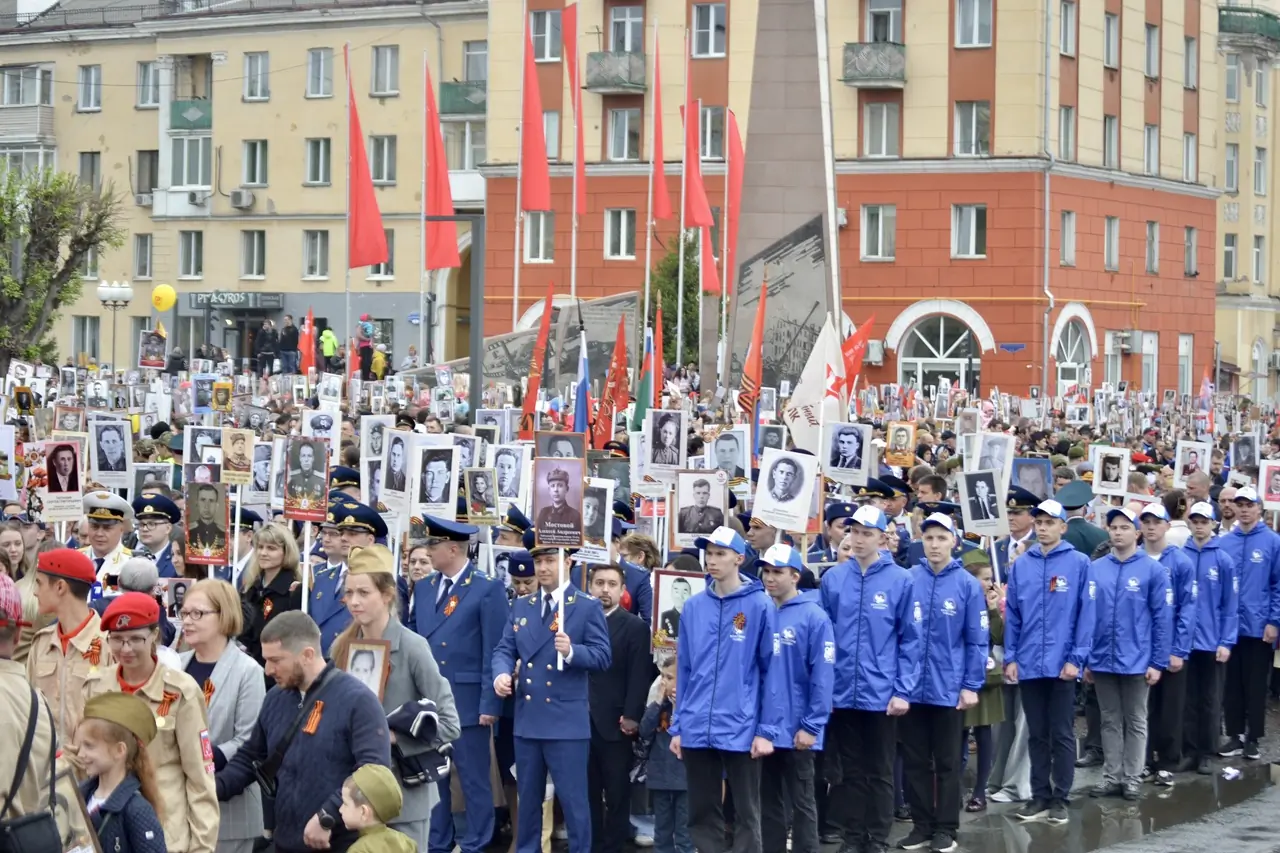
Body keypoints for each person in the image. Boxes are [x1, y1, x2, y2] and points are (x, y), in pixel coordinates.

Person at [217, 612, 394, 853]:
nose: (268, 669)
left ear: (307, 655)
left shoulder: (358, 701)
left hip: (341, 844)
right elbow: (251, 757)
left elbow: (373, 772)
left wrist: (327, 816)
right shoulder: (276, 698)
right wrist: (211, 789)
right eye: (266, 660)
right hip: (286, 841)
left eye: (276, 660)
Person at [330, 544, 462, 849]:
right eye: (349, 593)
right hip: (353, 799)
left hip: (403, 798)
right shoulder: (341, 648)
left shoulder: (413, 647)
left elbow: (450, 723)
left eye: (363, 593)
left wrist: (393, 737)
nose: (354, 601)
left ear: (387, 594)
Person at [492, 538, 612, 853]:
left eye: (550, 561)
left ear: (567, 562)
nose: (543, 568)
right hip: (529, 720)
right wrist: (501, 673)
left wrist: (573, 651)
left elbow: (603, 656)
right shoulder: (522, 605)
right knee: (528, 802)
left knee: (574, 804)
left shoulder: (585, 606)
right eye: (539, 562)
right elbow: (504, 648)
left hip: (565, 722)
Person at [669, 526, 778, 853]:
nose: (712, 560)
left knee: (746, 810)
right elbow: (684, 669)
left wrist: (766, 730)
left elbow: (771, 671)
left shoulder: (760, 605)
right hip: (697, 722)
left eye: (720, 553)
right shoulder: (694, 606)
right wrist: (678, 725)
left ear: (739, 558)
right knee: (701, 811)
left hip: (741, 723)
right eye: (709, 553)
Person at [90, 592, 219, 853]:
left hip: (164, 834)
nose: (125, 649)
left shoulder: (181, 692)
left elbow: (200, 778)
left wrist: (202, 847)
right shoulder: (96, 687)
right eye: (117, 639)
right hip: (106, 832)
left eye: (135, 639)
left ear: (154, 636)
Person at [413, 515, 509, 853]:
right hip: (429, 698)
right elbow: (416, 640)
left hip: (466, 701)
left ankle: (477, 841)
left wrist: (489, 704)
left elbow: (494, 649)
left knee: (473, 779)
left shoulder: (486, 588)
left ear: (453, 548)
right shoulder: (425, 586)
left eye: (433, 545)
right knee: (433, 777)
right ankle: (437, 840)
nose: (428, 551)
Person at [897, 514, 987, 853]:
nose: (934, 544)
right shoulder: (909, 579)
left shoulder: (966, 585)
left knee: (948, 762)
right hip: (911, 689)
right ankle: (921, 825)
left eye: (941, 538)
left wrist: (970, 684)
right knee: (915, 760)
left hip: (948, 688)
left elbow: (976, 640)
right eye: (929, 538)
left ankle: (946, 827)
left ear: (954, 542)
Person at [1002, 499, 1094, 824]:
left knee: (1062, 732)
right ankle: (1039, 794)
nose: (1042, 528)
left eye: (1049, 522)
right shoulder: (1021, 564)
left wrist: (1076, 658)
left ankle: (1061, 797)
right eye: (1039, 522)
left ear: (1062, 527)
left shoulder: (1079, 562)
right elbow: (1013, 615)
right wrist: (1011, 657)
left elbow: (1086, 614)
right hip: (1029, 662)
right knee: (1037, 733)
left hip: (1061, 663)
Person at [1086, 507, 1170, 801]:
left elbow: (1162, 619)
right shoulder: (1096, 569)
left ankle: (1132, 777)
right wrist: (1086, 658)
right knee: (1109, 719)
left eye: (1124, 527)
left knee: (1135, 719)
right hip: (1102, 658)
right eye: (1114, 527)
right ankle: (1112, 776)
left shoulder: (1153, 570)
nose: (1118, 532)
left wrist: (1157, 661)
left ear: (1136, 533)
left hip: (1137, 659)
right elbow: (1087, 616)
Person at [177, 579, 266, 853]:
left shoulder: (247, 671)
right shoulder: (176, 665)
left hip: (228, 815)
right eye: (184, 612)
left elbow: (249, 741)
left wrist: (201, 756)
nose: (187, 621)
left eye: (197, 613)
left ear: (224, 615)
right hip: (178, 810)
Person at [758, 544, 834, 853]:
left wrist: (812, 725)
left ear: (795, 576)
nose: (770, 578)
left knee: (802, 800)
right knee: (767, 799)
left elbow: (823, 676)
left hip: (797, 727)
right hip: (763, 728)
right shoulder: (760, 611)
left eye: (777, 572)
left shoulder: (814, 617)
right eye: (766, 571)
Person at [585, 563, 652, 853]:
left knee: (616, 791)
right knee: (586, 790)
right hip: (579, 721)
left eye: (612, 584)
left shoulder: (635, 627)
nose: (605, 589)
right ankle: (590, 843)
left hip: (615, 721)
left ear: (623, 590)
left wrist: (632, 715)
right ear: (589, 587)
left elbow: (639, 675)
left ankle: (613, 845)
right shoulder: (576, 621)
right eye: (599, 583)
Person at [1216, 486, 1280, 761]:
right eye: (1239, 505)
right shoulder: (1225, 543)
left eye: (1248, 505)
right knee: (1231, 683)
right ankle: (1234, 734)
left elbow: (1277, 584)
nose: (1243, 510)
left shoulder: (1272, 542)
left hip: (1258, 624)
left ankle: (1253, 736)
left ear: (1259, 509)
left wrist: (1274, 621)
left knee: (1255, 683)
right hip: (1230, 626)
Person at [28, 548, 115, 741]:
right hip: (46, 757)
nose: (35, 592)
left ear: (60, 587)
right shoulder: (42, 643)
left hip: (88, 758)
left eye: (39, 583)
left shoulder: (109, 645)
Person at [1139, 503, 1196, 781]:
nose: (1151, 527)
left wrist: (1179, 650)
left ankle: (1169, 760)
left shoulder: (1181, 562)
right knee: (1142, 709)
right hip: (1140, 647)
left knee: (1170, 708)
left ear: (1167, 525)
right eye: (1146, 522)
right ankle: (1143, 759)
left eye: (1156, 522)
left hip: (1170, 646)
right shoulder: (1135, 558)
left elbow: (1188, 608)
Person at [1182, 501, 1238, 773]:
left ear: (1213, 524)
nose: (1199, 526)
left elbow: (1230, 604)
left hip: (1211, 641)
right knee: (1187, 699)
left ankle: (1207, 752)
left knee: (1210, 700)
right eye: (1195, 521)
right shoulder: (1181, 556)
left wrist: (1226, 641)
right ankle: (1189, 750)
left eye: (1204, 522)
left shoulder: (1223, 560)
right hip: (1185, 642)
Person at [77, 692, 167, 853]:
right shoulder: (81, 796)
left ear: (119, 750)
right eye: (81, 746)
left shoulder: (137, 810)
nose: (80, 754)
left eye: (89, 746)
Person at [640, 656, 690, 853]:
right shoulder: (658, 703)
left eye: (669, 678)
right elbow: (644, 730)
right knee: (661, 833)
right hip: (660, 775)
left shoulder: (692, 704)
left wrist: (680, 706)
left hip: (685, 779)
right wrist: (657, 702)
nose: (663, 682)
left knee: (685, 835)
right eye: (662, 676)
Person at [238, 523, 304, 668]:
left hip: (277, 668)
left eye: (271, 548)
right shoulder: (250, 587)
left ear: (286, 552)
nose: (263, 553)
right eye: (260, 547)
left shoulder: (295, 590)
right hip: (248, 667)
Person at [341, 764, 416, 853]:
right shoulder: (406, 843)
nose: (340, 809)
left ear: (363, 812)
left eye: (345, 804)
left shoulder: (359, 850)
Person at [82, 491, 135, 583]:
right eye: (95, 527)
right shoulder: (76, 557)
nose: (99, 533)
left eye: (107, 528)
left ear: (121, 529)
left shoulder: (131, 563)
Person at [133, 494, 181, 578]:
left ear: (168, 528)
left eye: (152, 524)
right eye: (141, 524)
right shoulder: (133, 558)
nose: (145, 529)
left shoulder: (177, 560)